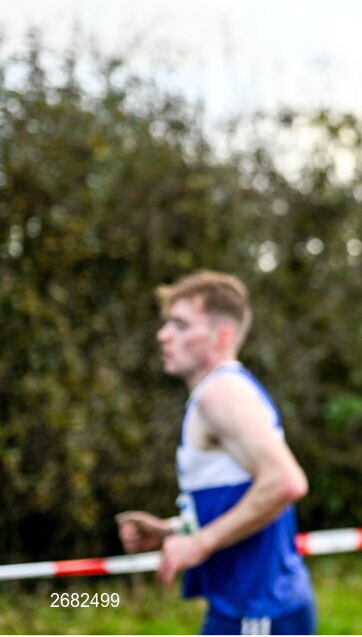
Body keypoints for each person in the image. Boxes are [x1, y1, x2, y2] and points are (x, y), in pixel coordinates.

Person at [116, 271, 315, 635]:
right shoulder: (224, 390)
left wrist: (198, 543)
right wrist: (170, 530)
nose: (163, 335)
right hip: (245, 606)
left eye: (180, 324)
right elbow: (240, 491)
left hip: (257, 608)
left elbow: (285, 482)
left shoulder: (220, 394)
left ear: (221, 336)